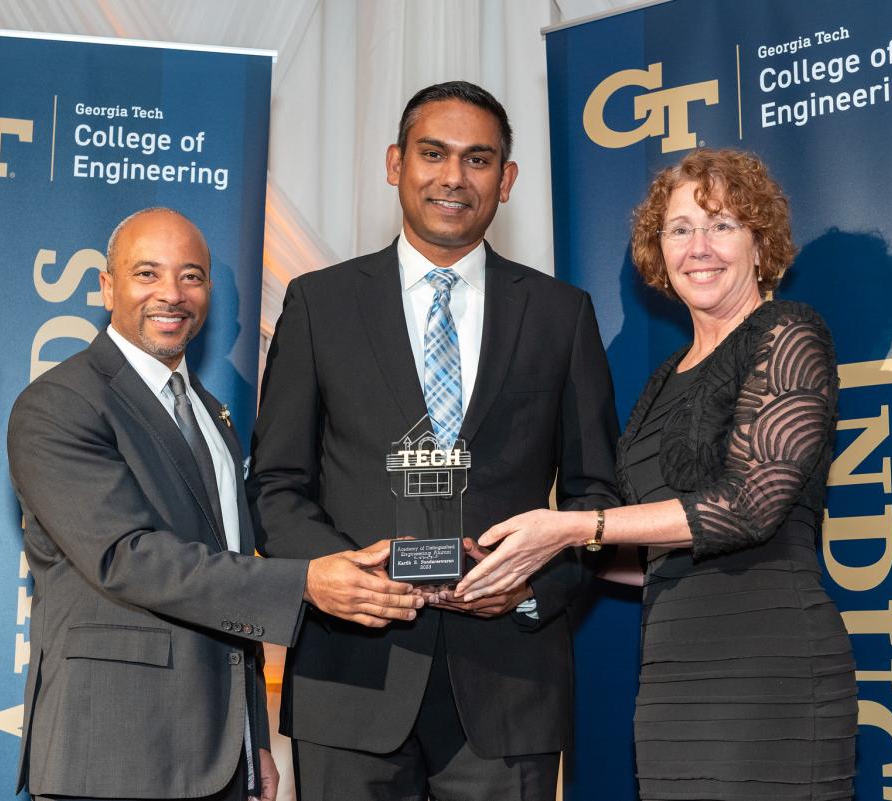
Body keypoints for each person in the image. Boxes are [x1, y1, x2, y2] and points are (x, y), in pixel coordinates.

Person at [248, 81, 620, 801]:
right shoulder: (319, 304)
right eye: (433, 154)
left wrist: (527, 589)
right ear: (395, 163)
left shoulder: (559, 314)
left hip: (510, 683)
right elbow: (276, 483)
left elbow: (594, 496)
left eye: (478, 160)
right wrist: (339, 577)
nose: (454, 177)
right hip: (350, 674)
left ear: (506, 181)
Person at [455, 148, 859, 801]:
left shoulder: (787, 333)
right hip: (672, 681)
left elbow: (748, 505)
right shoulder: (664, 380)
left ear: (761, 243)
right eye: (679, 228)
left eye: (722, 224)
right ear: (658, 251)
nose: (699, 246)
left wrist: (571, 525)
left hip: (770, 670)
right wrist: (514, 568)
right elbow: (645, 550)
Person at [7, 207, 422, 801]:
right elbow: (128, 557)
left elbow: (227, 579)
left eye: (191, 276)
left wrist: (251, 739)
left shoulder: (211, 412)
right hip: (112, 751)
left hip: (218, 755)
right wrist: (305, 582)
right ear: (106, 285)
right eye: (147, 273)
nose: (171, 295)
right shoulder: (59, 404)